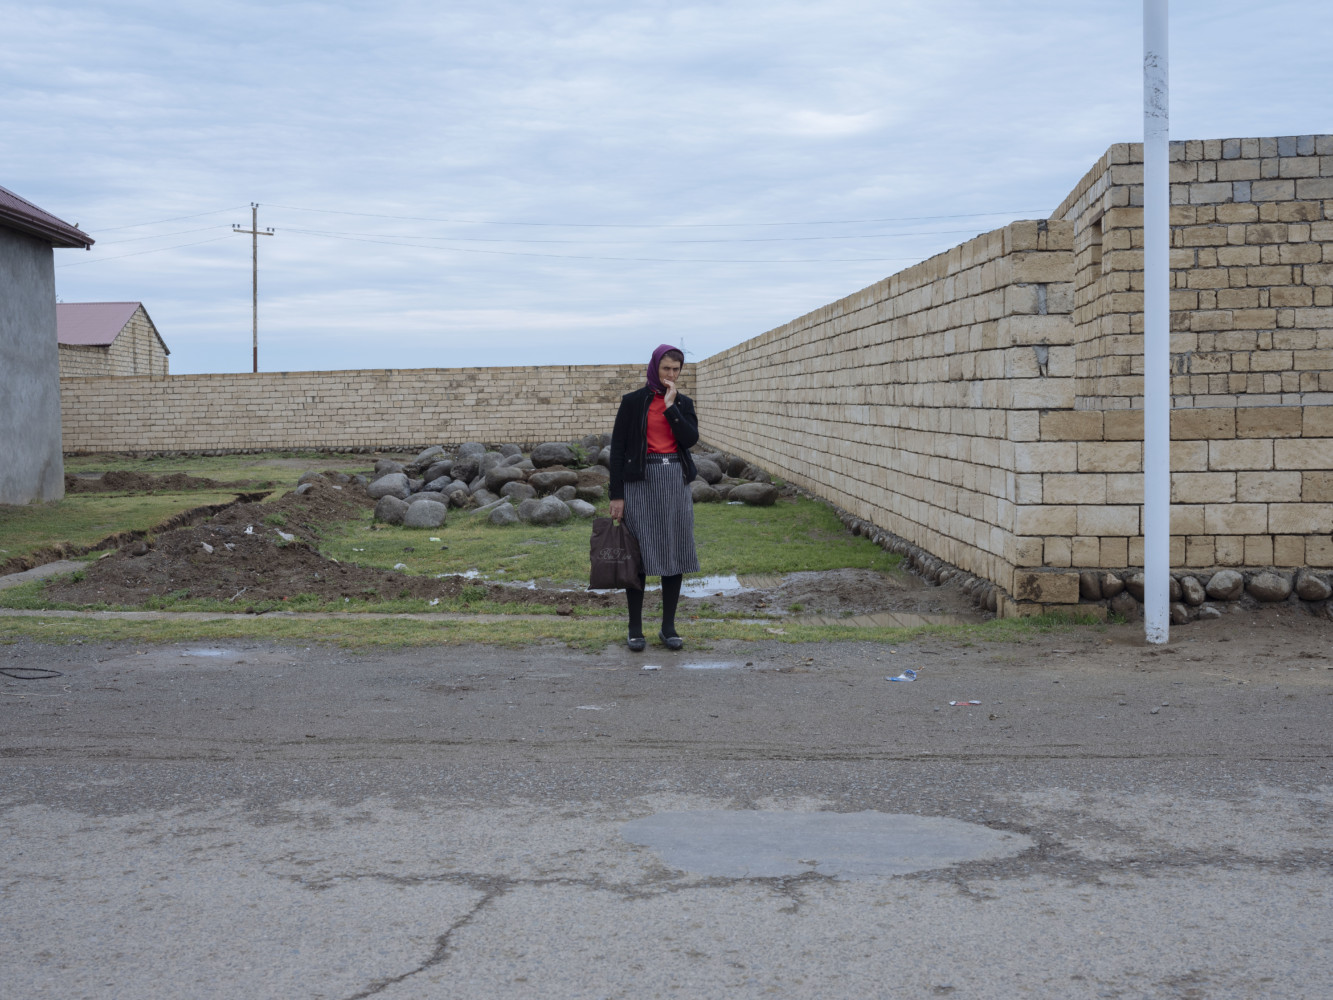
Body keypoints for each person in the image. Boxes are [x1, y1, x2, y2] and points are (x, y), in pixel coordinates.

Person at [608, 344, 699, 651]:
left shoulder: (683, 403)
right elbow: (618, 450)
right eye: (666, 368)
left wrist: (671, 407)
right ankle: (635, 629)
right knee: (639, 555)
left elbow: (690, 440)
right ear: (654, 367)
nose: (670, 374)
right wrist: (616, 495)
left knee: (675, 550)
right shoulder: (633, 402)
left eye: (676, 369)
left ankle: (668, 627)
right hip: (640, 483)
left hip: (674, 481)